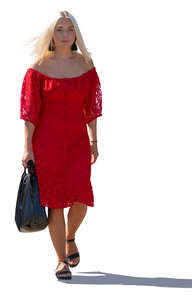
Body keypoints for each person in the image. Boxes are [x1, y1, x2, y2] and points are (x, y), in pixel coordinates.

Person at [20, 11, 102, 280]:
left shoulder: (86, 65)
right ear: (51, 35)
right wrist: (27, 147)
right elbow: (30, 113)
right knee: (55, 203)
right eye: (60, 29)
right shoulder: (38, 68)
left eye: (69, 29)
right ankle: (60, 261)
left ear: (76, 33)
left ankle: (70, 237)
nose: (65, 34)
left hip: (78, 142)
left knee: (81, 198)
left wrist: (94, 141)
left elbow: (91, 109)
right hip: (47, 144)